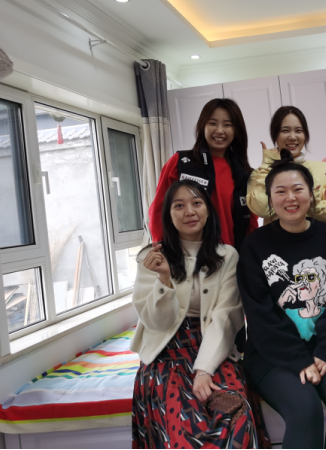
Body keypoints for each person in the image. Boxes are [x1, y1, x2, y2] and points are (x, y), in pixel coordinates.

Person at [237, 149, 326, 449]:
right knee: (305, 410)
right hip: (273, 354)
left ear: (312, 193)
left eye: (298, 189)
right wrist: (298, 360)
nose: (290, 198)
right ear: (270, 199)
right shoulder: (254, 246)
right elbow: (261, 315)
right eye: (280, 191)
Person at [131, 180, 267, 449]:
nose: (189, 212)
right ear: (168, 215)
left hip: (214, 347)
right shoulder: (152, 257)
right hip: (165, 353)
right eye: (179, 206)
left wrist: (204, 369)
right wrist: (164, 280)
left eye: (196, 203)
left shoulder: (227, 255)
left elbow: (225, 316)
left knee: (235, 415)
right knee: (184, 432)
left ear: (208, 210)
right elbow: (156, 323)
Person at [149, 98, 258, 250]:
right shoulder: (180, 163)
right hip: (187, 255)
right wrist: (161, 248)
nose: (219, 130)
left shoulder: (245, 174)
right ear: (203, 126)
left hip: (232, 256)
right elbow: (159, 209)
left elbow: (251, 221)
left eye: (227, 125)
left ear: (236, 130)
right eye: (212, 123)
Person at [247, 105, 326, 224]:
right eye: (285, 131)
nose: (293, 137)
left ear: (305, 135)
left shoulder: (323, 169)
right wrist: (268, 165)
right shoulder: (260, 174)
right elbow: (262, 209)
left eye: (298, 131)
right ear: (274, 134)